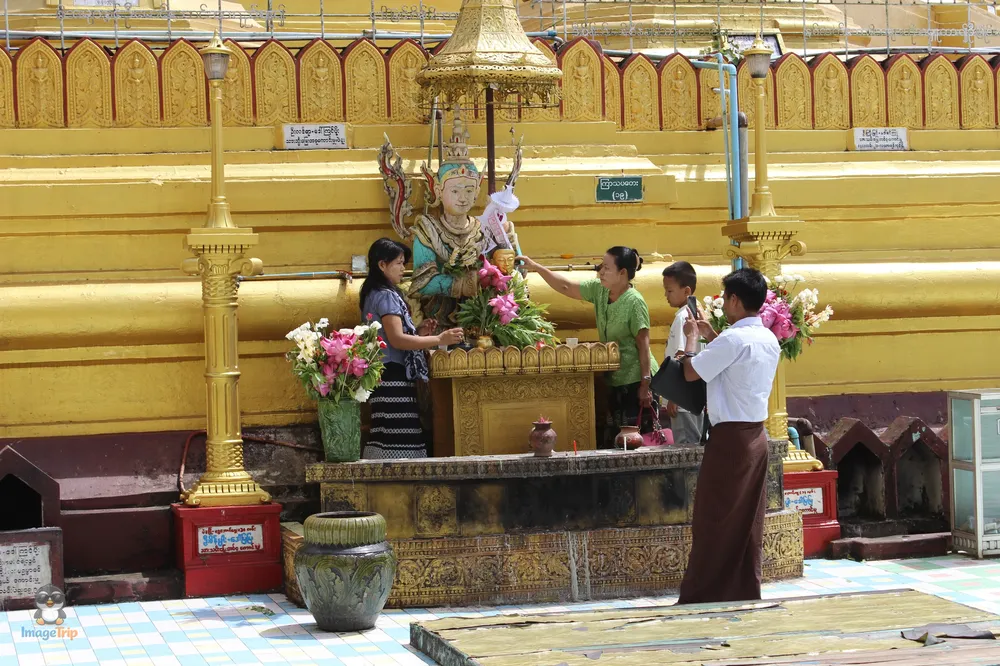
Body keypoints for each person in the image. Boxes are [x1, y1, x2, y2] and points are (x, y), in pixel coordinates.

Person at [675, 267, 781, 604]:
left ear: (735, 300)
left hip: (730, 439)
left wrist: (691, 335)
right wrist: (712, 334)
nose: (723, 304)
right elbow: (734, 361)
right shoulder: (767, 337)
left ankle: (703, 593)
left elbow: (691, 372)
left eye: (725, 298)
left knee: (713, 517)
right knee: (746, 521)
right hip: (756, 437)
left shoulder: (735, 339)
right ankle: (743, 588)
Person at [517, 247, 660, 447]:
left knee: (637, 443)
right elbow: (566, 287)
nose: (600, 271)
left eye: (607, 268)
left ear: (623, 273)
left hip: (637, 380)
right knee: (616, 441)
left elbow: (643, 344)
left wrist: (646, 384)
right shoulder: (599, 290)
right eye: (601, 266)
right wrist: (536, 268)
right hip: (614, 378)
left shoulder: (635, 302)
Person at [359, 238, 464, 459]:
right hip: (393, 375)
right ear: (382, 265)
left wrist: (419, 332)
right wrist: (438, 338)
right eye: (398, 263)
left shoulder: (373, 293)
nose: (403, 269)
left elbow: (392, 337)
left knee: (386, 435)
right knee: (400, 440)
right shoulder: (386, 295)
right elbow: (397, 340)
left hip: (383, 374)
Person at [661, 261, 705, 445]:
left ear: (687, 291)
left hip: (683, 400)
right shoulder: (697, 312)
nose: (666, 295)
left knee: (686, 447)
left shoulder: (683, 317)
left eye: (669, 291)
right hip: (694, 397)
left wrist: (673, 396)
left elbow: (681, 355)